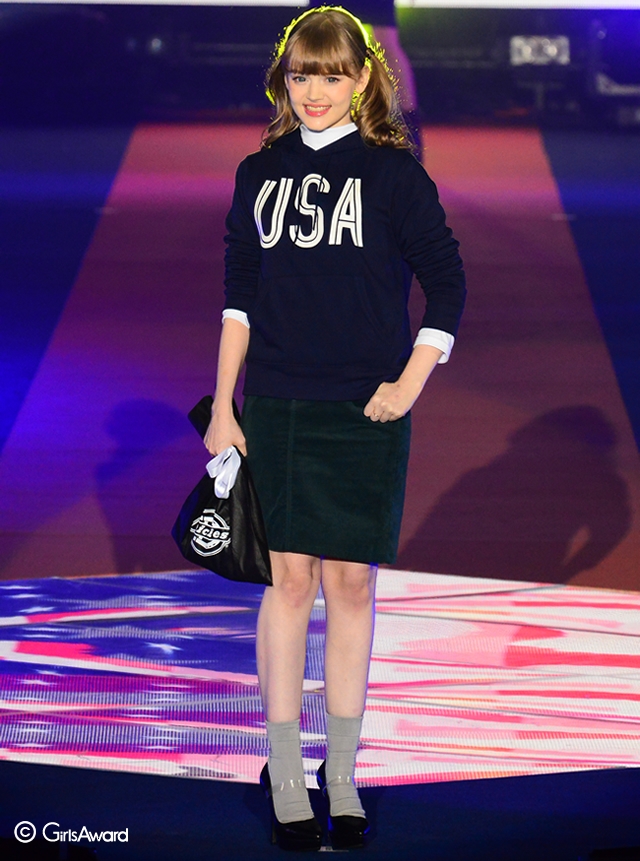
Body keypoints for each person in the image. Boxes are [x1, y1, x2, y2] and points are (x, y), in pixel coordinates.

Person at [204, 6, 465, 851]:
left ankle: (342, 772)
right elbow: (239, 295)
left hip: (365, 409)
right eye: (300, 74)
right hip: (279, 403)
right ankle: (285, 772)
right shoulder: (258, 172)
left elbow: (448, 281)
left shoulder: (393, 175)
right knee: (288, 583)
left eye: (331, 74)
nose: (314, 91)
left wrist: (409, 382)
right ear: (282, 80)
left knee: (350, 584)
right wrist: (223, 404)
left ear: (362, 79)